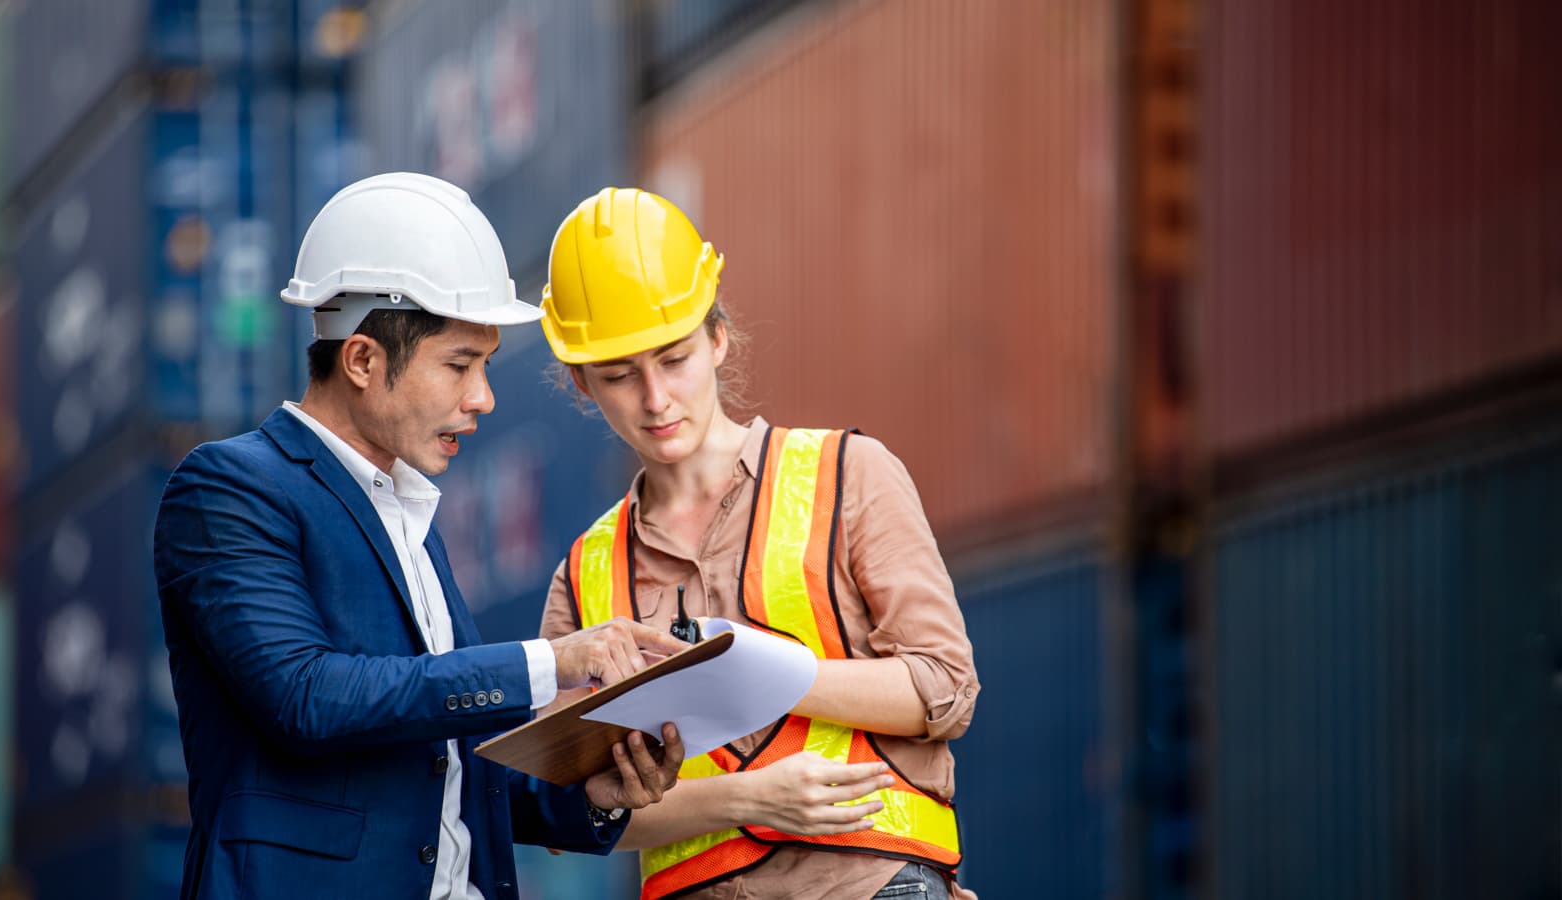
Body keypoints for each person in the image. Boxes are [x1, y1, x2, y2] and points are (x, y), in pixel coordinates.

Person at [153, 173, 692, 900]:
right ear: (364, 361)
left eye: (487, 366)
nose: (484, 398)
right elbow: (306, 697)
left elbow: (448, 769)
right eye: (460, 365)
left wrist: (598, 788)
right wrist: (551, 662)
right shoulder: (229, 489)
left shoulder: (411, 523)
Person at [534, 187, 981, 900]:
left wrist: (770, 674)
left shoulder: (848, 475)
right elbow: (569, 805)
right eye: (620, 376)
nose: (655, 399)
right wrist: (748, 799)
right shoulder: (586, 573)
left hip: (873, 885)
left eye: (674, 358)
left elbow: (945, 690)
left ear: (717, 338)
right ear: (583, 384)